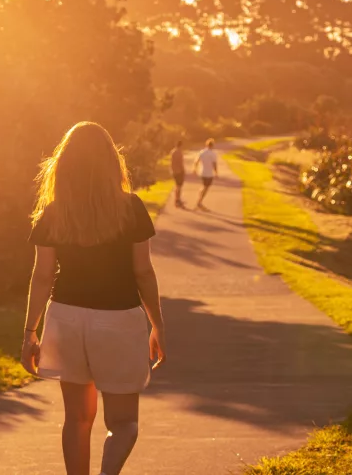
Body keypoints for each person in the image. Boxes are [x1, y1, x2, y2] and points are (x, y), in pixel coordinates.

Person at [22, 121, 167, 475]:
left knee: (77, 420)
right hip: (117, 320)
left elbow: (42, 276)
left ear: (64, 164)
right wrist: (157, 325)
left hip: (66, 317)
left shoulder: (54, 212)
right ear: (110, 163)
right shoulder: (130, 208)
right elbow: (143, 272)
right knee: (124, 424)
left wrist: (29, 332)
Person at [193, 138, 218, 210]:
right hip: (209, 174)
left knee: (204, 186)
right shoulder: (213, 154)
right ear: (212, 145)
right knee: (206, 188)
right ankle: (199, 202)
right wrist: (216, 172)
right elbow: (214, 164)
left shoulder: (202, 152)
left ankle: (199, 199)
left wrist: (195, 169)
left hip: (202, 172)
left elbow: (196, 161)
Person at [170, 140, 186, 208]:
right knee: (179, 186)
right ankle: (177, 200)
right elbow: (180, 162)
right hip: (179, 171)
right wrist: (183, 170)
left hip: (174, 171)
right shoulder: (179, 152)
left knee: (177, 186)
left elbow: (172, 162)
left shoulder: (173, 151)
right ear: (181, 145)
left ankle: (177, 199)